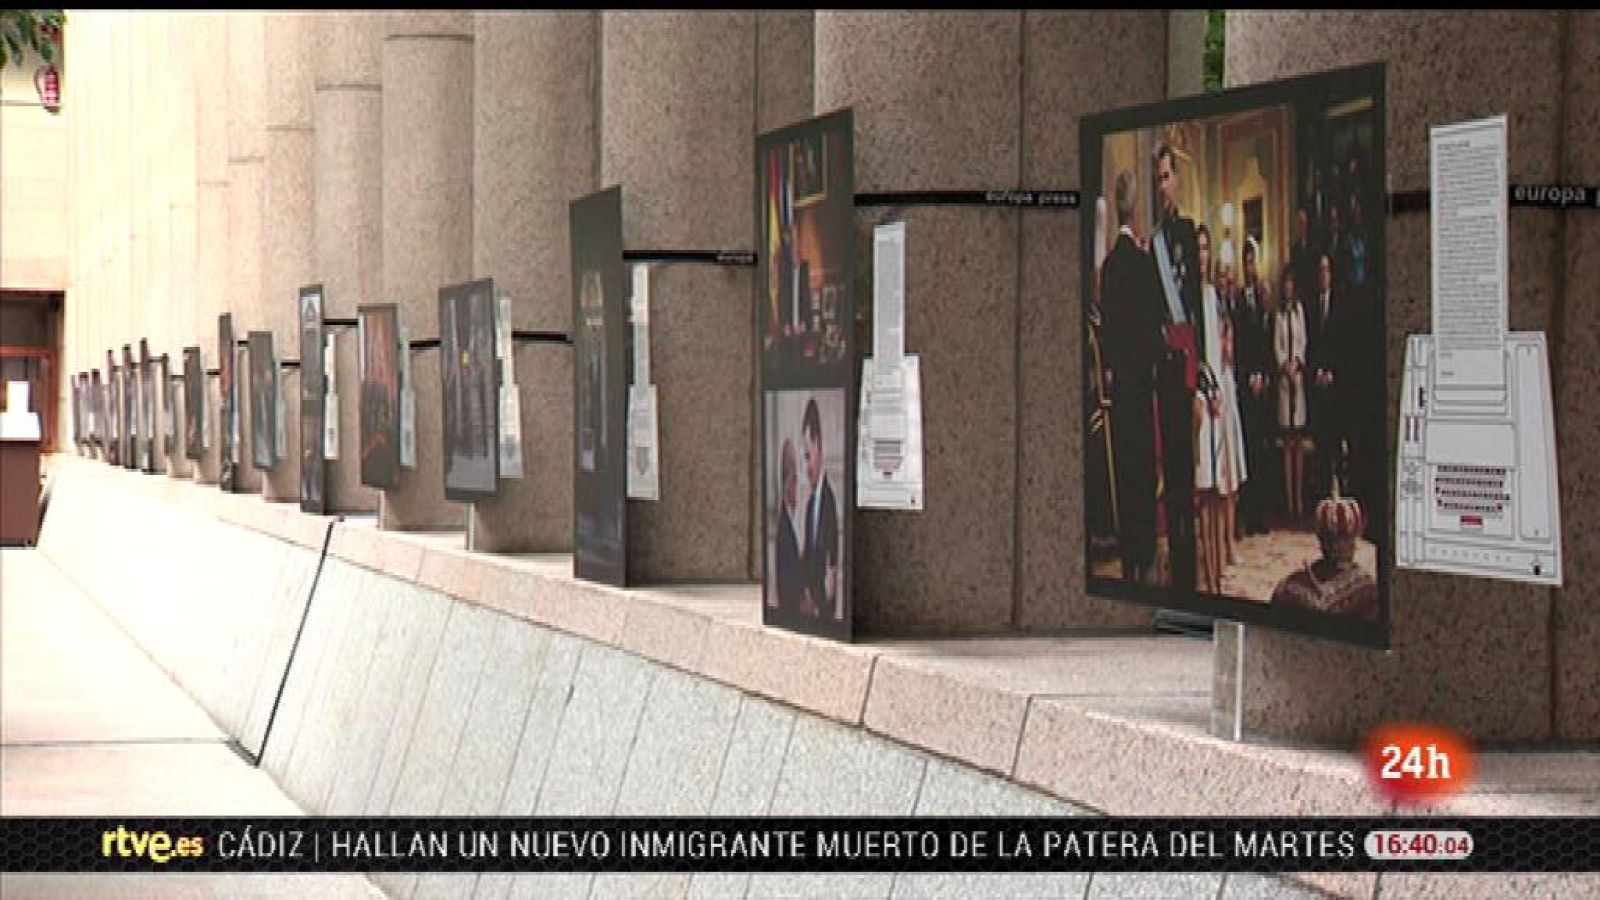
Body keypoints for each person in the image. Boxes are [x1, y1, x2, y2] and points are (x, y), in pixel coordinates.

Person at [1099, 170, 1165, 585]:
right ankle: (1145, 552)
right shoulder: (1143, 264)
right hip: (1142, 383)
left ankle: (1129, 558)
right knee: (1144, 468)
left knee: (1125, 470)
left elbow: (1107, 330)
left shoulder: (1110, 267)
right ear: (1135, 205)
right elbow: (1156, 324)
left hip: (1120, 385)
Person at [1151, 142, 1201, 594]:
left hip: (1186, 364)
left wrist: (1201, 375)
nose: (1162, 186)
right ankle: (1176, 570)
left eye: (1167, 177)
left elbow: (1196, 308)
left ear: (1178, 181)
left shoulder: (1186, 232)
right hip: (1162, 369)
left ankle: (1190, 569)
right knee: (1170, 470)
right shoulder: (1153, 242)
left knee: (1187, 474)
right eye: (1157, 179)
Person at [1270, 490, 1378, 621]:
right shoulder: (1365, 587)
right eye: (1334, 540)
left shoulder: (1288, 587)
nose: (1337, 546)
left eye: (1342, 540)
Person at [1232, 238, 1274, 535]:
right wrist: (1249, 377)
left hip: (1263, 385)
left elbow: (1266, 340)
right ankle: (1247, 516)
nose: (1250, 267)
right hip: (1247, 385)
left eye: (1253, 262)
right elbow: (1240, 346)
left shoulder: (1263, 297)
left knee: (1262, 452)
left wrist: (1265, 375)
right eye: (1246, 262)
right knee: (1247, 450)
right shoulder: (1238, 300)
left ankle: (1262, 515)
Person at [800, 397, 840, 620]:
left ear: (819, 445)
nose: (806, 467)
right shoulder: (809, 505)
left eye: (808, 456)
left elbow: (832, 561)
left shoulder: (829, 500)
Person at [1274, 267, 1309, 521]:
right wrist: (1284, 366)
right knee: (1287, 442)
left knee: (1299, 442)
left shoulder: (1299, 312)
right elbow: (1276, 346)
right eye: (1285, 284)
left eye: (1291, 283)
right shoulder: (1279, 315)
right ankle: (1288, 500)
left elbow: (1303, 342)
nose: (1288, 287)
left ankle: (1299, 498)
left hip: (1299, 378)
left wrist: (1297, 362)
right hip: (1284, 382)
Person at [772, 438, 804, 611]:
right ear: (789, 482)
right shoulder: (784, 529)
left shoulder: (789, 522)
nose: (798, 488)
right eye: (796, 480)